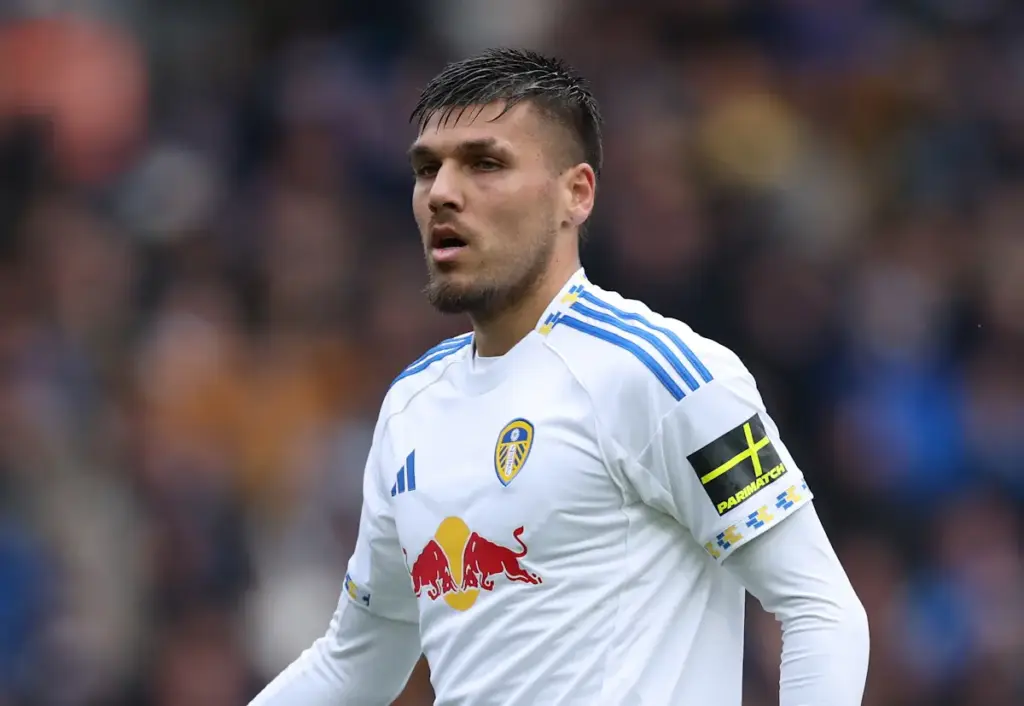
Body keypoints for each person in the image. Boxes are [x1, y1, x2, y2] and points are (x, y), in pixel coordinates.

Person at [250, 48, 870, 706]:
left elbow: (821, 612)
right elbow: (356, 665)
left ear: (576, 194)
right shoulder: (411, 406)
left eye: (484, 163)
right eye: (427, 168)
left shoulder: (661, 375)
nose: (443, 193)